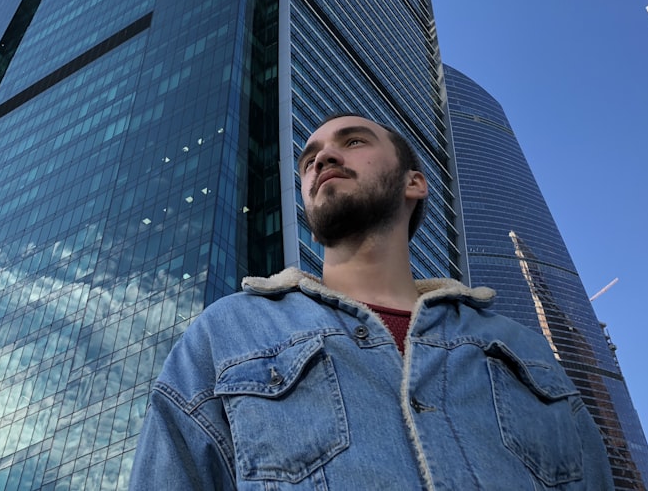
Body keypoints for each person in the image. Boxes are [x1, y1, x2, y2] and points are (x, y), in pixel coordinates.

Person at [129, 114, 613, 489]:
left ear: (414, 183)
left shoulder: (521, 349)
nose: (321, 159)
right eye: (309, 158)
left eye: (353, 142)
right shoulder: (228, 332)